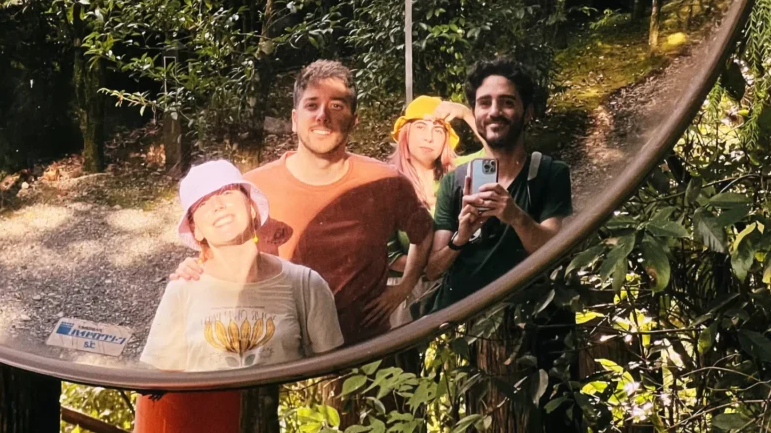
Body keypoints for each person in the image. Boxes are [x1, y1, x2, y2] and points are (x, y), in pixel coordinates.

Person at [172, 60, 434, 346]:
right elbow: (218, 252)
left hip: (368, 354)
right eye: (312, 105)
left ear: (354, 120)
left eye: (337, 106)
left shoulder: (384, 182)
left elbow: (424, 233)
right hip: (280, 355)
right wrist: (193, 269)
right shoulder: (253, 189)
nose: (322, 116)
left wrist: (404, 287)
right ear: (295, 120)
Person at [140, 158, 343, 372]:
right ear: (195, 229)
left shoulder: (305, 284)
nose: (218, 206)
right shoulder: (182, 289)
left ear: (252, 208)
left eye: (227, 192)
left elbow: (328, 376)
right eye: (203, 203)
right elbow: (163, 381)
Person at [427, 56, 572, 310]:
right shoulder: (454, 182)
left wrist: (516, 216)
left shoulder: (549, 173)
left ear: (527, 113)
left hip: (530, 318)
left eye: (507, 102)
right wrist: (462, 236)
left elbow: (554, 252)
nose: (494, 111)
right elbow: (433, 270)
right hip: (463, 323)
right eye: (485, 103)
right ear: (474, 114)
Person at [386, 95, 483, 324]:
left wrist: (466, 113)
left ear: (447, 141)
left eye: (438, 131)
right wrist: (431, 265)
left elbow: (497, 151)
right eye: (420, 127)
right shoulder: (385, 180)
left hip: (454, 286)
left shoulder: (458, 172)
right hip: (401, 292)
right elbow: (388, 256)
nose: (429, 137)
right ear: (405, 134)